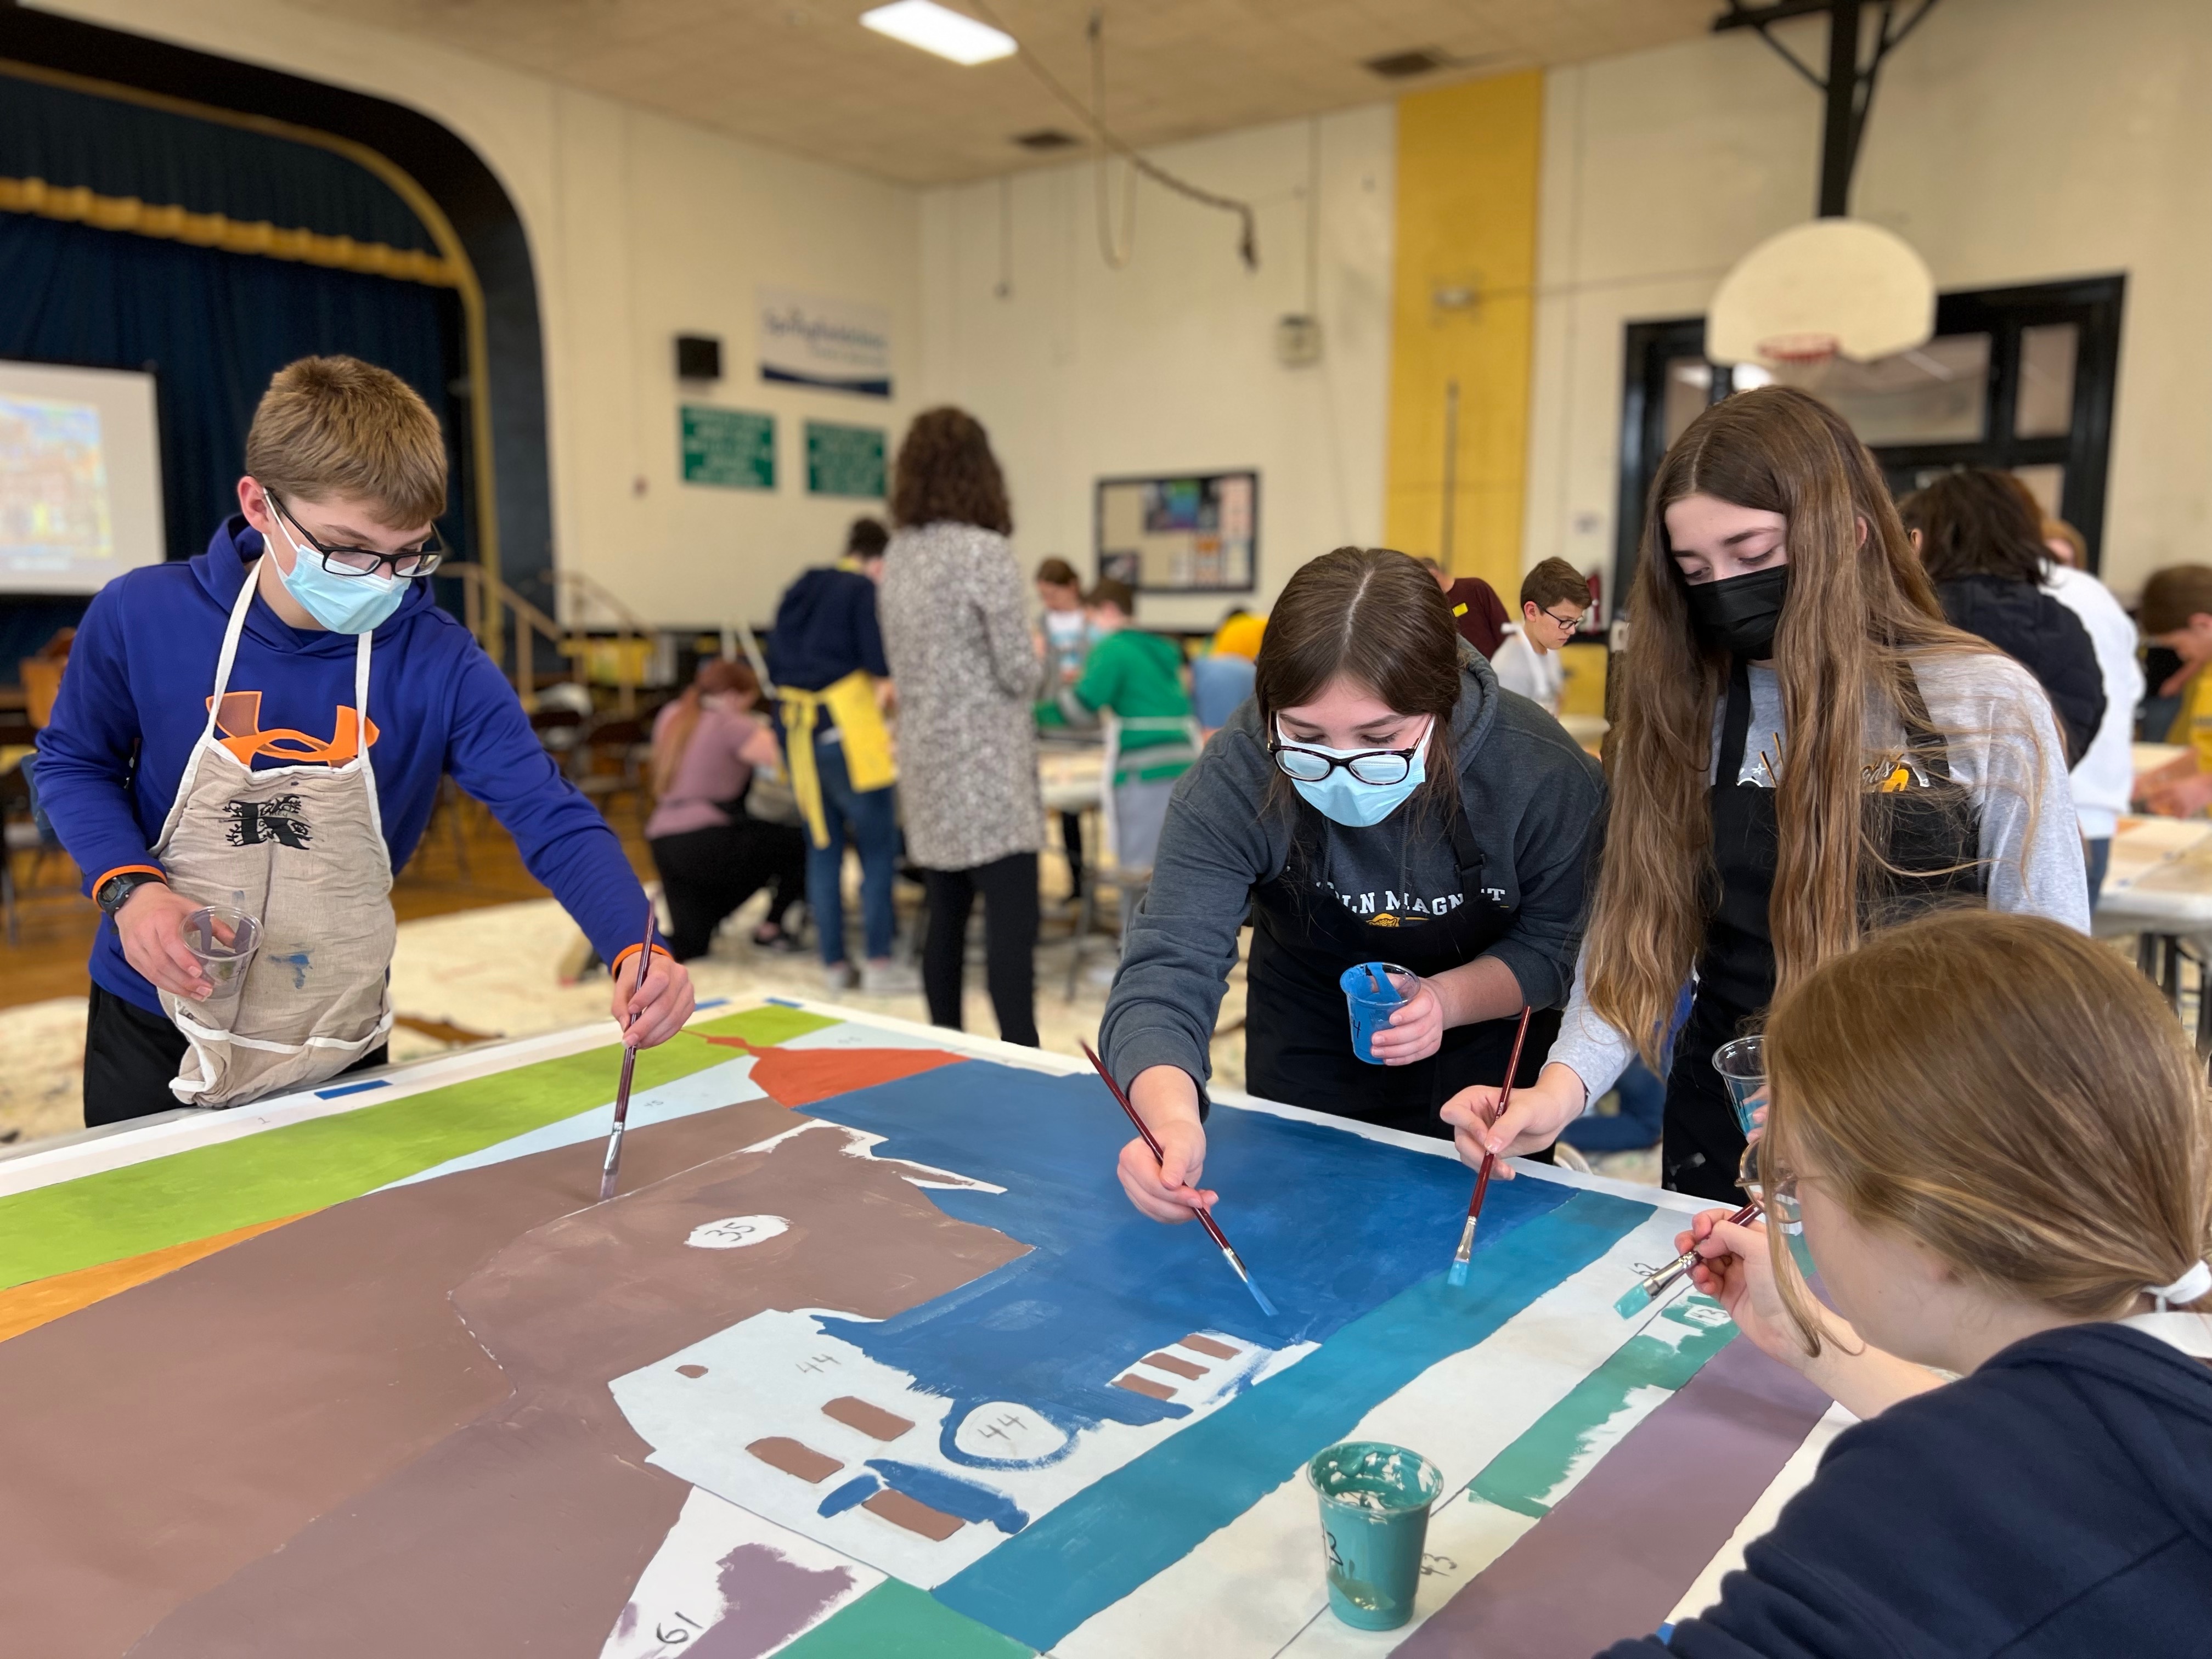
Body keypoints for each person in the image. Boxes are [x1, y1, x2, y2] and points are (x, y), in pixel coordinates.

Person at [1449, 387, 2085, 1204]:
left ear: (1848, 535)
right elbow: (1636, 938)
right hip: (1730, 1124)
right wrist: (1560, 1091)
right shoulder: (1683, 712)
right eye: (1695, 572)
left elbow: (2049, 966)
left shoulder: (1982, 702)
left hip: (1930, 1129)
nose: (1726, 591)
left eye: (1752, 555)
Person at [37, 356, 693, 1122]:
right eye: (347, 551)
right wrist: (129, 889)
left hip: (336, 1026)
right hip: (153, 1015)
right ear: (260, 506)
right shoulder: (142, 614)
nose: (382, 581)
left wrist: (632, 945)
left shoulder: (438, 656)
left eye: (408, 554)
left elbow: (549, 813)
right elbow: (75, 764)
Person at [1599, 909, 2212, 1658]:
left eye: (1788, 1176)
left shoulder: (1920, 1496)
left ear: (1928, 1227)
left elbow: (1991, 1491)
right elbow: (2064, 1461)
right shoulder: (2157, 1388)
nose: (1778, 1203)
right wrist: (1815, 1343)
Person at [1101, 546, 1605, 1226]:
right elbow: (1169, 962)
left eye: (1380, 737)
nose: (1341, 767)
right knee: (1311, 1235)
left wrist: (1445, 1000)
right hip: (1307, 1028)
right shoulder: (1238, 770)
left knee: (1472, 1253)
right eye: (1305, 736)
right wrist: (1167, 1118)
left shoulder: (1538, 769)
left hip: (1484, 1050)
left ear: (1443, 700)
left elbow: (1557, 942)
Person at [876, 408, 1044, 1046]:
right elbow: (1017, 673)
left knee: (943, 918)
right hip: (988, 766)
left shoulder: (899, 555)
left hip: (925, 760)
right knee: (1011, 929)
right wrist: (1037, 654)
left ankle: (947, 1047)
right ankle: (1022, 1056)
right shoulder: (986, 551)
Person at [766, 517, 915, 995]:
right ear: (879, 561)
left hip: (800, 737)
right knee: (877, 852)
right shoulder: (859, 590)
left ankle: (832, 963)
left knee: (823, 850)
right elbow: (878, 662)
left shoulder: (803, 585)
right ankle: (878, 962)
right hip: (848, 736)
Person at [1896, 470, 2105, 764]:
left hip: (1922, 799)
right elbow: (2083, 718)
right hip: (2033, 796)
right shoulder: (2062, 622)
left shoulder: (1913, 614)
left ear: (1929, 537)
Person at [1054, 577, 1199, 930]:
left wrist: (1028, 712)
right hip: (1182, 763)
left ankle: (1134, 959)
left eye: (1089, 618)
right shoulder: (1160, 646)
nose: (1089, 629)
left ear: (1106, 611)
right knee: (1175, 869)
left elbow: (1080, 707)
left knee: (1138, 874)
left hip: (1143, 769)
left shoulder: (1113, 648)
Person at [645, 658, 806, 962]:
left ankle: (626, 948)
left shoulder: (671, 715)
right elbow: (787, 762)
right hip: (707, 839)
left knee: (692, 943)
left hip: (662, 839)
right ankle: (771, 928)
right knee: (801, 843)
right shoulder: (733, 724)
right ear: (735, 695)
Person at [2032, 511, 2143, 903]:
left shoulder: (2024, 598)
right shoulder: (2097, 598)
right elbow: (2130, 689)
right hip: (2088, 807)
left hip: (2050, 807)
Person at [1034, 556, 1092, 907]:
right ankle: (1070, 886)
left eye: (1053, 594)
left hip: (1088, 730)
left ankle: (1086, 884)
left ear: (1072, 587)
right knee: (1058, 813)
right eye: (1043, 596)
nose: (1048, 603)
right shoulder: (1039, 626)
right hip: (1050, 729)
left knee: (1084, 813)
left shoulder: (1093, 624)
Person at [1489, 557, 1588, 716]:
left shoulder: (1549, 645)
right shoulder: (1510, 671)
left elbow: (1557, 698)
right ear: (1532, 611)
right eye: (1565, 621)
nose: (1572, 631)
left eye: (1576, 621)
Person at [1415, 556, 1509, 657]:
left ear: (1434, 574)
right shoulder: (1430, 607)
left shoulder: (1476, 588)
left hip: (1496, 666)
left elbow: (1503, 628)